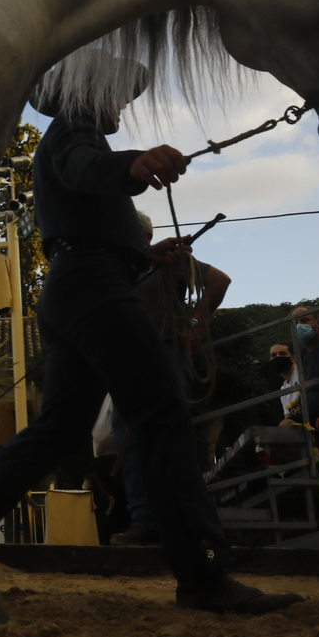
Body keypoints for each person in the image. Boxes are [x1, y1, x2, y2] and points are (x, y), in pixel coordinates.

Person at [0, 59, 300, 614]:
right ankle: (202, 573)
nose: (121, 105)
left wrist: (141, 255)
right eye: (118, 95)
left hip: (76, 286)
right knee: (161, 411)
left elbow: (85, 205)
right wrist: (136, 163)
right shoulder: (76, 127)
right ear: (92, 92)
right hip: (93, 287)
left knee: (60, 431)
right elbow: (88, 168)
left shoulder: (65, 136)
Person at [108, 211, 231, 546]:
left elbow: (219, 281)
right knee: (129, 438)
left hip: (165, 353)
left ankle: (186, 527)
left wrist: (195, 325)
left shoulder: (172, 262)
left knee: (168, 435)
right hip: (128, 359)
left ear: (144, 236)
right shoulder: (120, 267)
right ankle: (145, 521)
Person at [267, 344, 298, 419]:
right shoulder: (283, 390)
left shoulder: (303, 373)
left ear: (293, 358)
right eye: (273, 355)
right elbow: (287, 418)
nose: (278, 357)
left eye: (282, 354)